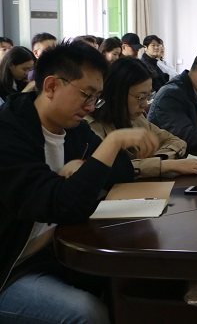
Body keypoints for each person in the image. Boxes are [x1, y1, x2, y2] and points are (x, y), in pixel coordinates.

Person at [0, 41, 158, 323]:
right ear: (51, 86)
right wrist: (113, 141)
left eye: (96, 97)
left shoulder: (72, 128)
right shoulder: (9, 132)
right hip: (11, 270)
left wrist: (82, 167)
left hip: (52, 256)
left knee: (135, 284)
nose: (90, 106)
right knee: (86, 314)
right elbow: (63, 205)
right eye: (86, 94)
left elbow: (121, 172)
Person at [87, 57, 197, 178]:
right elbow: (109, 169)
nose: (145, 104)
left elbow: (176, 142)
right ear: (117, 94)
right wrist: (163, 165)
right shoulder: (90, 126)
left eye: (148, 96)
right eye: (140, 97)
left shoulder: (137, 118)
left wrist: (156, 161)